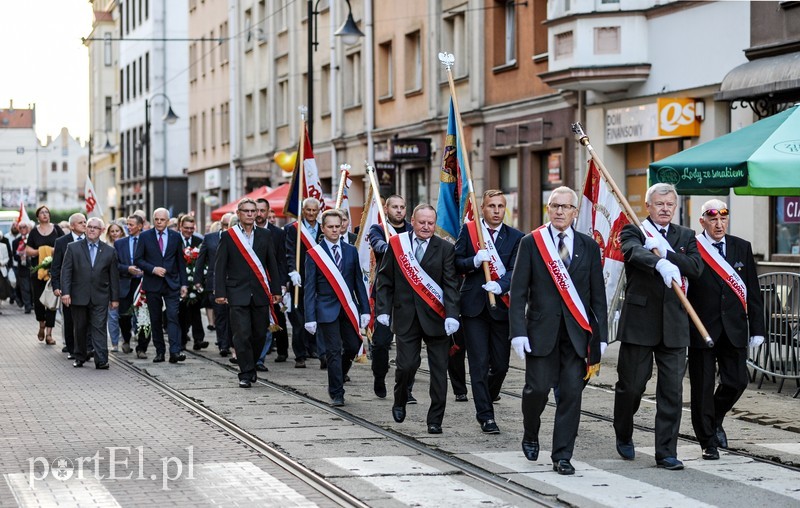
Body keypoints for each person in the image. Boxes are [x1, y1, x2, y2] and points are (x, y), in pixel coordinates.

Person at [509, 187, 607, 475]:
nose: (560, 211)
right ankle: (530, 431)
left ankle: (562, 455)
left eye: (566, 207)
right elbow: (518, 292)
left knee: (571, 396)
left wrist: (599, 340)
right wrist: (518, 331)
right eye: (554, 206)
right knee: (536, 390)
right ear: (548, 209)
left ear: (575, 212)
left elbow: (597, 297)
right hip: (541, 331)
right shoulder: (532, 243)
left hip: (577, 335)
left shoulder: (589, 246)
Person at [613, 183, 703, 471]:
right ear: (648, 206)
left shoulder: (686, 236)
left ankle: (666, 452)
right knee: (632, 386)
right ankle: (623, 431)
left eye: (670, 204)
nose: (665, 208)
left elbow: (696, 267)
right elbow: (632, 253)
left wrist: (671, 256)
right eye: (659, 204)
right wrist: (659, 262)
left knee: (671, 392)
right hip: (640, 323)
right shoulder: (634, 230)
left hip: (675, 324)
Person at [686, 199, 765, 459]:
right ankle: (708, 441)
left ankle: (715, 417)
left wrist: (758, 329)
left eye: (723, 218)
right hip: (702, 329)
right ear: (703, 222)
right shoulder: (692, 247)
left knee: (737, 382)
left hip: (734, 328)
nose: (718, 224)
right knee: (702, 388)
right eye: (713, 219)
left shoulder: (741, 247)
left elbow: (752, 290)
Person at [376, 204, 460, 434]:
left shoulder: (445, 249)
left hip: (437, 318)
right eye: (421, 222)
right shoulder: (397, 245)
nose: (426, 227)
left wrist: (452, 315)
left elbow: (451, 285)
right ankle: (400, 399)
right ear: (412, 221)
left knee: (439, 373)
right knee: (406, 366)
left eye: (430, 223)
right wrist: (383, 310)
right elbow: (385, 281)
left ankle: (435, 420)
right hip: (406, 317)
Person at [455, 190, 524, 434]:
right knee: (478, 364)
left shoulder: (517, 237)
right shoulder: (470, 231)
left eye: (500, 206)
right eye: (491, 206)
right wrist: (474, 261)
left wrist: (501, 285)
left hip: (501, 308)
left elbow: (516, 270)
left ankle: (489, 393)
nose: (496, 210)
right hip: (474, 308)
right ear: (482, 208)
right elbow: (456, 262)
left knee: (501, 366)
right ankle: (485, 416)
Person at [304, 209, 370, 406]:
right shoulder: (314, 254)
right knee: (332, 351)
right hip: (326, 309)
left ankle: (339, 374)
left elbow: (358, 282)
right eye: (330, 227)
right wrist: (310, 317)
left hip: (349, 308)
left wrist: (365, 309)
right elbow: (309, 288)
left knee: (352, 346)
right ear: (322, 228)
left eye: (338, 226)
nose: (335, 230)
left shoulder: (351, 250)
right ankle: (337, 392)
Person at [214, 198, 282, 388]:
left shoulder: (265, 235)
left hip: (260, 292)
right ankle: (245, 372)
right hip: (237, 293)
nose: (252, 214)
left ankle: (251, 365)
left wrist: (276, 289)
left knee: (260, 334)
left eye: (254, 211)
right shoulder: (229, 236)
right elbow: (220, 266)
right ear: (239, 213)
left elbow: (272, 264)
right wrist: (220, 292)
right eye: (247, 211)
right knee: (241, 334)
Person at [368, 194, 413, 399]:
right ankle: (379, 375)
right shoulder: (378, 229)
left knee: (408, 343)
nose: (399, 211)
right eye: (395, 207)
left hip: (409, 295)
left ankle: (406, 388)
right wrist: (395, 248)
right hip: (385, 294)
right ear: (386, 209)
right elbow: (378, 246)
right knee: (381, 342)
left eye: (402, 207)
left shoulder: (413, 230)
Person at [60, 217, 120, 369]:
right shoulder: (73, 247)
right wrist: (65, 292)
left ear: (101, 231)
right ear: (86, 229)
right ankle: (79, 356)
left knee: (99, 327)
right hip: (78, 295)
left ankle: (101, 360)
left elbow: (113, 276)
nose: (92, 229)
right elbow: (66, 271)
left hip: (100, 296)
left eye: (95, 227)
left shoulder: (109, 251)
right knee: (80, 328)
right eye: (89, 227)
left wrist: (114, 299)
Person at [134, 207, 189, 363]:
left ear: (168, 220)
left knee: (173, 317)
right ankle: (160, 352)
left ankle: (175, 352)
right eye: (156, 219)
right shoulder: (145, 236)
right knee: (156, 319)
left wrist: (184, 284)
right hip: (152, 284)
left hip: (172, 283)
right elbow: (138, 259)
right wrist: (153, 269)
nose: (159, 222)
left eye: (162, 219)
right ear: (153, 220)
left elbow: (180, 262)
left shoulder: (175, 237)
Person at [285, 197, 324, 368]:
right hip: (299, 279)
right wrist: (292, 270)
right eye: (307, 210)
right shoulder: (294, 228)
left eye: (314, 210)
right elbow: (289, 251)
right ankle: (300, 354)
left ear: (318, 211)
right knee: (299, 320)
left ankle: (314, 348)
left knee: (317, 316)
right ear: (303, 210)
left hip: (319, 279)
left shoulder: (324, 229)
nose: (310, 213)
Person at [255, 198, 289, 368]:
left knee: (273, 319)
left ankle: (260, 358)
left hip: (272, 285)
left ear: (268, 212)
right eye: (257, 210)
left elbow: (282, 260)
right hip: (252, 285)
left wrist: (282, 283)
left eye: (263, 210)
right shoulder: (245, 231)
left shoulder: (278, 233)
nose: (259, 214)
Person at [25, 205, 64, 345]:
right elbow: (28, 250)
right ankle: (41, 325)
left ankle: (49, 333)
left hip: (54, 272)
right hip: (38, 271)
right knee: (39, 301)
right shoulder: (34, 232)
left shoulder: (57, 229)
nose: (45, 214)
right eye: (42, 212)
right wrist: (41, 251)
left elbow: (64, 246)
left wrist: (52, 251)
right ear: (37, 217)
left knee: (52, 302)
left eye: (47, 212)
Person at [50, 213, 87, 359]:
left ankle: (86, 348)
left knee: (86, 320)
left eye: (85, 222)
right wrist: (56, 286)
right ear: (72, 226)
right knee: (70, 319)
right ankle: (72, 350)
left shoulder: (90, 239)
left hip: (86, 287)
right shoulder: (61, 242)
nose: (84, 225)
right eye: (81, 223)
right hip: (68, 287)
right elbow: (56, 266)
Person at [196, 214, 233, 357]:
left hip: (233, 282)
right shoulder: (210, 238)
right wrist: (198, 280)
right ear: (220, 224)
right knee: (220, 314)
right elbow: (201, 260)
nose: (227, 228)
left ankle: (232, 343)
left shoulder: (239, 237)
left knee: (233, 315)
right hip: (214, 283)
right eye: (225, 224)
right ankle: (223, 344)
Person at [177, 214, 209, 352]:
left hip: (194, 281)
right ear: (180, 227)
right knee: (181, 312)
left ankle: (198, 339)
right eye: (186, 228)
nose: (189, 231)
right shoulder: (176, 240)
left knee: (195, 310)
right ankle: (182, 340)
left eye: (191, 228)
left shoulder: (198, 240)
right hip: (179, 281)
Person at [115, 214, 145, 355]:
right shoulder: (120, 243)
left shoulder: (148, 240)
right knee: (124, 316)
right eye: (127, 224)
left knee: (143, 315)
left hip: (143, 284)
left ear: (140, 226)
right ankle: (126, 339)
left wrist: (146, 269)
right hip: (125, 284)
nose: (128, 227)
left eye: (131, 224)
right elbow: (115, 265)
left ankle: (142, 347)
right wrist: (128, 269)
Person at [104, 222, 127, 352]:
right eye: (112, 231)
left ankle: (126, 338)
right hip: (110, 285)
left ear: (121, 232)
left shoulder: (126, 246)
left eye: (117, 231)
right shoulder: (106, 247)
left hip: (124, 284)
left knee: (124, 315)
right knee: (112, 315)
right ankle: (114, 342)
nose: (114, 233)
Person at [12, 222, 34, 314]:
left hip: (33, 267)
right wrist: (21, 257)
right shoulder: (16, 242)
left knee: (33, 287)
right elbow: (14, 257)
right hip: (22, 267)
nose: (22, 229)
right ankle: (27, 306)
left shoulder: (32, 239)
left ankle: (33, 304)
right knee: (25, 288)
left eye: (24, 227)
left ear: (28, 228)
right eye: (20, 227)